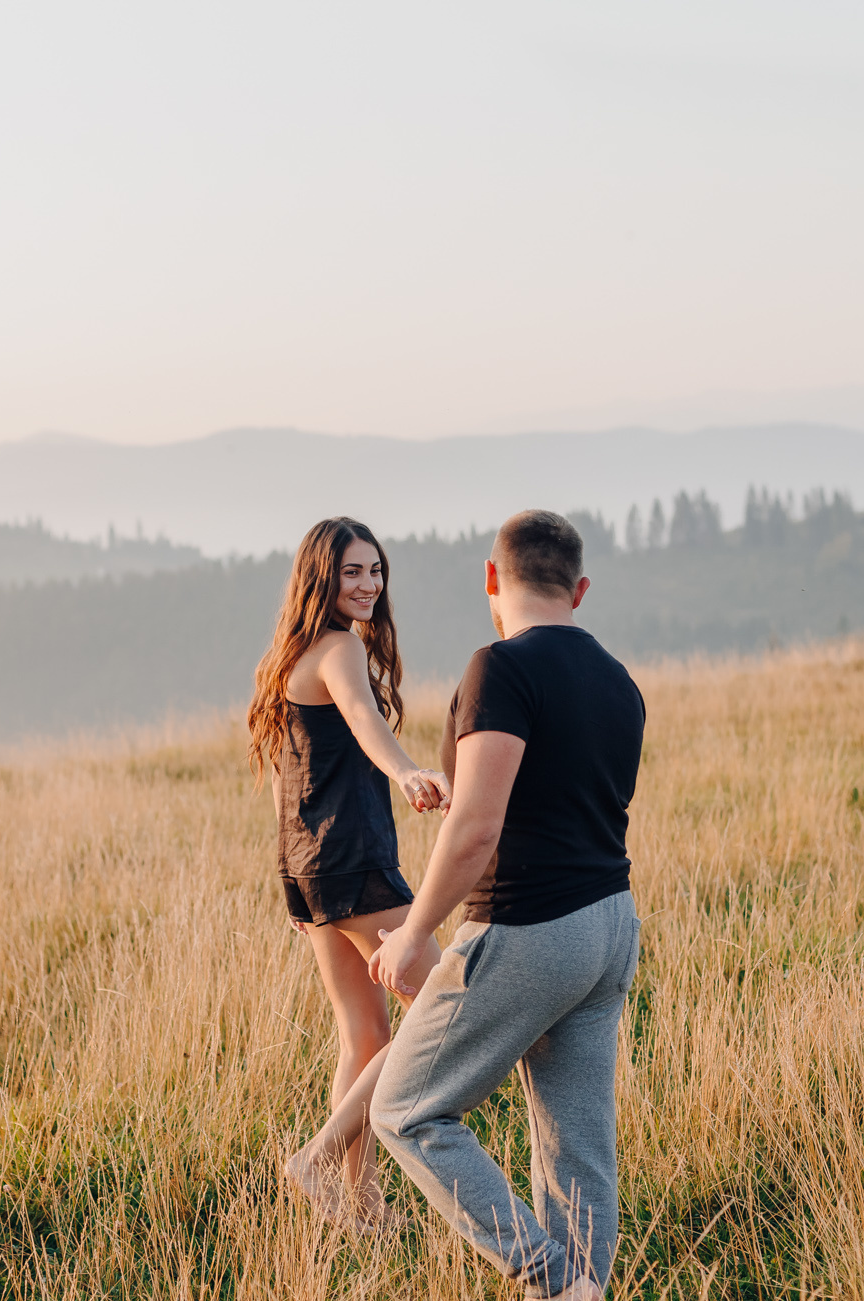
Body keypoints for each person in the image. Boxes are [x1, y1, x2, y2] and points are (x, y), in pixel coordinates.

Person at [368, 509, 645, 1301]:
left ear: (492, 578)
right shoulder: (620, 681)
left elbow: (477, 832)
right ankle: (585, 1286)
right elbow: (559, 799)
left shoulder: (501, 668)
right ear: (580, 589)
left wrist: (413, 934)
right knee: (577, 1145)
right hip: (611, 925)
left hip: (531, 926)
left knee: (408, 1110)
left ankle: (553, 1279)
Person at [246, 516, 449, 1231]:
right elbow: (365, 720)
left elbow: (287, 780)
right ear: (320, 577)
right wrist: (406, 770)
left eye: (376, 571)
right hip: (352, 860)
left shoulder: (291, 654)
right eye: (353, 572)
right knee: (446, 999)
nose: (368, 584)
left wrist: (290, 881)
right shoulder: (337, 650)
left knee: (364, 1036)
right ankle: (319, 1157)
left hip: (308, 867)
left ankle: (362, 1207)